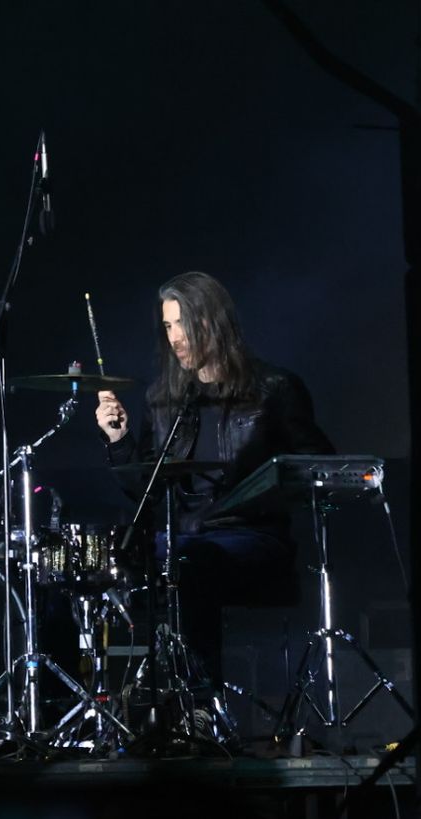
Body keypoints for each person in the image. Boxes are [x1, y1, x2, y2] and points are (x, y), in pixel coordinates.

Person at [94, 271, 334, 696]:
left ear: (211, 322)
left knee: (189, 562)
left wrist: (270, 489)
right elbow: (147, 492)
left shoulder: (274, 389)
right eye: (167, 326)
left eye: (181, 323)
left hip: (251, 537)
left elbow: (316, 465)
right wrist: (118, 439)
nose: (174, 337)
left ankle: (199, 703)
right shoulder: (164, 398)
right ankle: (126, 700)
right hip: (184, 536)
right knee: (87, 566)